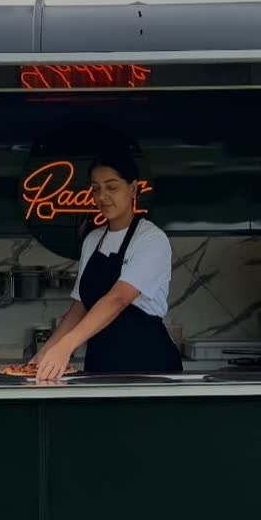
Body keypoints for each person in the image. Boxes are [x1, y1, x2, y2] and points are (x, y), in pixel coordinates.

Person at [32, 149, 182, 380]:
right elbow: (80, 306)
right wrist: (47, 351)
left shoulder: (151, 239)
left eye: (112, 187)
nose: (102, 197)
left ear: (133, 188)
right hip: (100, 364)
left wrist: (67, 345)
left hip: (147, 366)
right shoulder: (93, 240)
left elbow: (118, 299)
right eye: (96, 188)